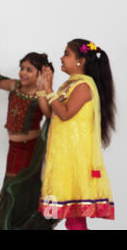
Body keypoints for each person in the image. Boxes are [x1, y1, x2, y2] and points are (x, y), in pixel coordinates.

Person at [39, 39, 116, 230]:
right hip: (65, 158)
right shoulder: (68, 85)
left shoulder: (83, 86)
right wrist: (43, 88)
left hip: (76, 160)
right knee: (73, 218)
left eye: (66, 54)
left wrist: (49, 90)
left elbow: (65, 114)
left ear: (81, 61)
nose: (61, 58)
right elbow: (51, 113)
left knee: (75, 218)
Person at [0, 51, 58, 230]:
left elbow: (49, 114)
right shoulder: (14, 86)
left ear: (40, 74)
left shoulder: (40, 94)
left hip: (30, 150)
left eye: (29, 69)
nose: (23, 72)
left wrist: (44, 88)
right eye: (22, 68)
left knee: (22, 189)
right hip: (13, 150)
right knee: (11, 187)